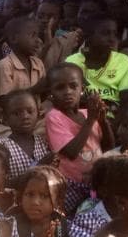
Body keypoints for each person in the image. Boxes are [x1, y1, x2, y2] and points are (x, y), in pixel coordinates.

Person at [44, 64, 113, 211]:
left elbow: (108, 147)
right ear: (50, 93)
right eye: (60, 88)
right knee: (70, 214)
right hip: (71, 184)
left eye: (73, 86)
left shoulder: (88, 114)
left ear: (82, 89)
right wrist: (91, 121)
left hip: (96, 182)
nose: (68, 92)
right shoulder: (54, 117)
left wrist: (102, 120)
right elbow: (71, 152)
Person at [0, 166, 70, 237]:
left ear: (57, 201)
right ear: (21, 196)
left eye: (44, 196)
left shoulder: (62, 228)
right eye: (30, 194)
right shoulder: (9, 226)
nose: (35, 202)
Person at [65, 13, 128, 110]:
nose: (112, 39)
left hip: (111, 115)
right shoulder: (72, 61)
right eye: (106, 33)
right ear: (89, 36)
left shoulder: (123, 61)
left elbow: (124, 103)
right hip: (80, 115)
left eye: (115, 33)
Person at [0, 90, 54, 184]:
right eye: (16, 113)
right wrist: (39, 166)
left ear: (38, 114)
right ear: (5, 119)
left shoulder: (44, 143)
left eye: (30, 111)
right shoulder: (2, 148)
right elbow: (3, 184)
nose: (25, 116)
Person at [0, 16, 47, 99]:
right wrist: (34, 90)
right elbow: (4, 101)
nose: (38, 40)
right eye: (32, 35)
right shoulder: (5, 66)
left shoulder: (38, 63)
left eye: (38, 35)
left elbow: (45, 94)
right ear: (14, 39)